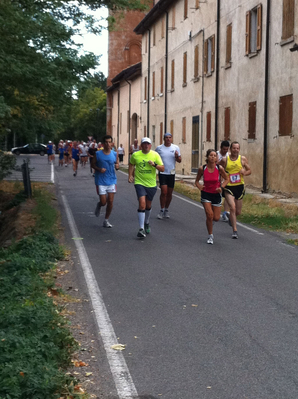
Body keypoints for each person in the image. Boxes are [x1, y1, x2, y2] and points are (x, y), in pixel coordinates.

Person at [128, 137, 164, 238]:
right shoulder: (136, 155)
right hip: (139, 182)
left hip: (151, 184)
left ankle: (146, 222)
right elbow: (131, 164)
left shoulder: (155, 155)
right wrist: (130, 175)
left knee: (148, 206)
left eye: (148, 144)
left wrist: (154, 164)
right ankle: (141, 229)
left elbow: (162, 168)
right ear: (141, 145)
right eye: (144, 144)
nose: (146, 145)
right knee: (142, 204)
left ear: (151, 145)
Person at [195, 149, 228, 245]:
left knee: (216, 218)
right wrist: (200, 186)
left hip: (216, 194)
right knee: (209, 215)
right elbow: (196, 181)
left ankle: (210, 222)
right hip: (206, 193)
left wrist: (221, 187)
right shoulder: (202, 168)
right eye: (211, 155)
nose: (213, 157)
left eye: (215, 155)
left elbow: (226, 179)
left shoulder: (220, 168)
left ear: (216, 158)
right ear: (207, 157)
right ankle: (210, 235)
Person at [219, 141, 251, 239]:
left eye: (237, 148)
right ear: (230, 149)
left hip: (239, 186)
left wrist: (244, 172)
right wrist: (220, 182)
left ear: (239, 149)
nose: (235, 150)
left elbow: (250, 170)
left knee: (238, 212)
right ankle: (235, 231)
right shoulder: (225, 160)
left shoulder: (242, 159)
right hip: (228, 187)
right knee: (232, 207)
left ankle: (231, 220)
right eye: (234, 148)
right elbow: (218, 169)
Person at [91, 135, 119, 228]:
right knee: (104, 202)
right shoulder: (98, 154)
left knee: (110, 201)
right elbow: (92, 164)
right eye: (106, 142)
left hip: (111, 180)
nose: (108, 144)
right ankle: (99, 205)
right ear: (103, 144)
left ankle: (106, 220)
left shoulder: (114, 154)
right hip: (101, 180)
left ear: (112, 143)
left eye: (109, 142)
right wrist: (99, 169)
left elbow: (117, 163)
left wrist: (117, 166)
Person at [155, 132, 181, 219]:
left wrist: (177, 156)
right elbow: (154, 158)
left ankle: (166, 209)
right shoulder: (159, 148)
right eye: (166, 137)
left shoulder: (175, 148)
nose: (168, 139)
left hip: (171, 173)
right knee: (164, 192)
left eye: (170, 137)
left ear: (172, 139)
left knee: (169, 193)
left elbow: (179, 160)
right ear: (164, 139)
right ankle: (161, 210)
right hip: (162, 173)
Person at [217, 140, 230, 222]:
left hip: (226, 177)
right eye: (224, 149)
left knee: (227, 195)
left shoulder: (229, 155)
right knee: (218, 195)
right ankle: (216, 209)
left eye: (226, 149)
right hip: (217, 177)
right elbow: (214, 165)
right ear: (220, 148)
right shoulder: (216, 154)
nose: (225, 151)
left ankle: (225, 212)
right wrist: (221, 162)